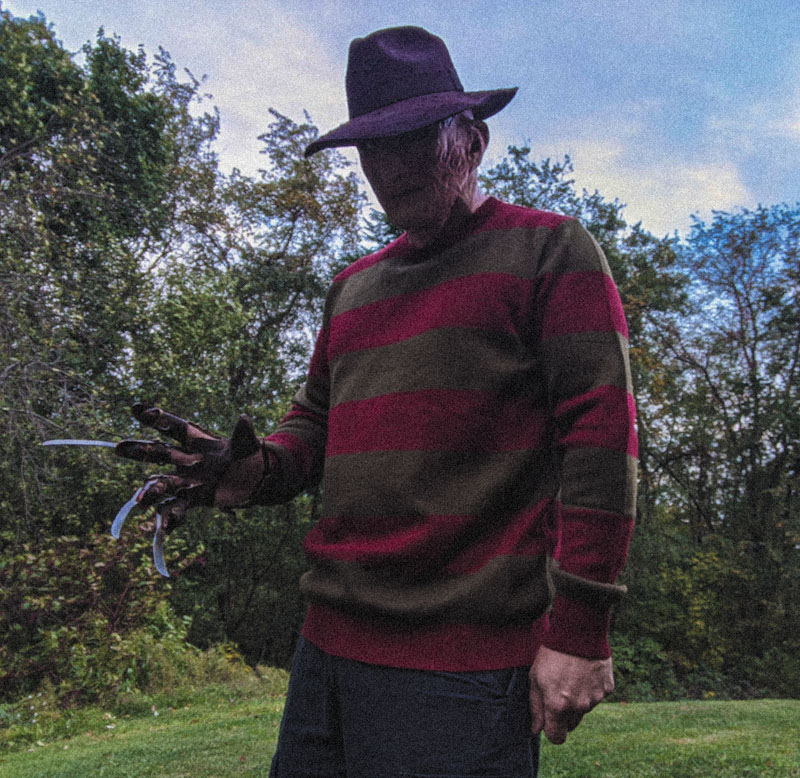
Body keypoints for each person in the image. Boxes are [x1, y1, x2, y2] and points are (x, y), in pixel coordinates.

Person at [118, 25, 637, 777]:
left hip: (462, 671)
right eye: (371, 149)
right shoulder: (352, 288)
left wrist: (581, 630)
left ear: (474, 142)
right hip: (325, 651)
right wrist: (254, 470)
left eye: (414, 140)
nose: (389, 168)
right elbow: (312, 428)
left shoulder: (550, 251)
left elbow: (602, 439)